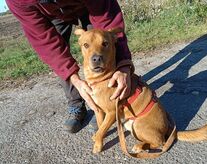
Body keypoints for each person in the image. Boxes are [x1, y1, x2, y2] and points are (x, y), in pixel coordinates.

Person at [6, 0, 133, 133]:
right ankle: (76, 105)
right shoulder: (17, 1)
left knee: (98, 42)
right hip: (52, 14)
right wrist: (74, 79)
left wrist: (123, 64)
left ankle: (105, 104)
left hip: (88, 5)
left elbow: (108, 21)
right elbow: (46, 43)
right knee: (62, 64)